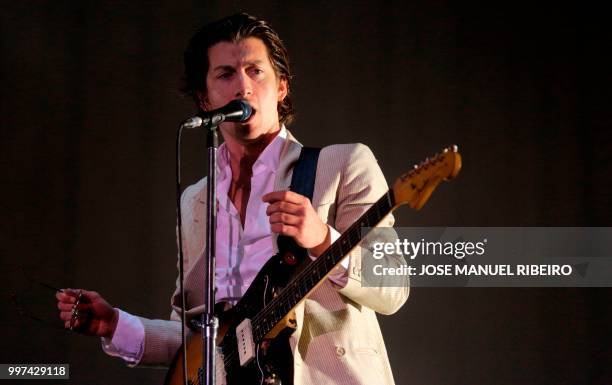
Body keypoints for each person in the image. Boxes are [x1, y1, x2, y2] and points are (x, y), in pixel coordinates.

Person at [56, 12, 409, 385]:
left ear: (282, 87)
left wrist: (323, 238)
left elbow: (395, 287)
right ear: (204, 99)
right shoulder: (195, 201)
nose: (243, 86)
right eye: (225, 74)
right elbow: (201, 341)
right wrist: (115, 325)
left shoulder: (342, 165)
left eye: (256, 71)